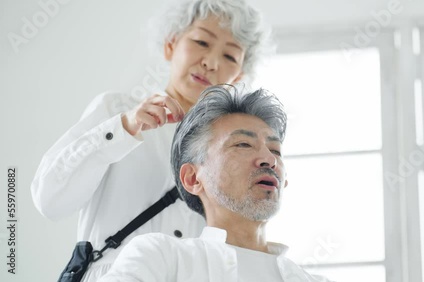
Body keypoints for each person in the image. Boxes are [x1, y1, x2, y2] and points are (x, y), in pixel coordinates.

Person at [30, 0, 273, 280]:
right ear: (171, 44)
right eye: (201, 42)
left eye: (230, 57)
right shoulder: (116, 110)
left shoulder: (235, 151)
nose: (211, 62)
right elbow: (50, 199)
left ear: (239, 75)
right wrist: (122, 128)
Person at [98, 85, 331, 282]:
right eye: (243, 144)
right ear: (192, 178)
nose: (269, 160)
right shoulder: (159, 257)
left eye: (275, 150)